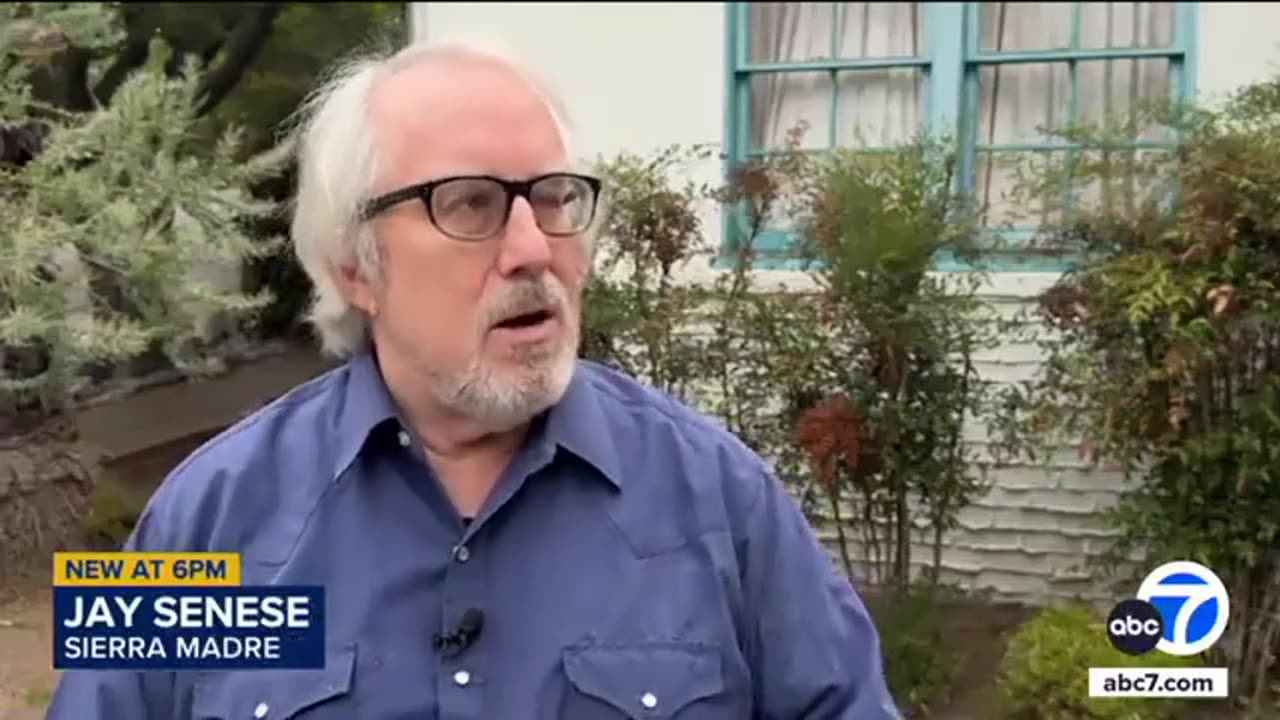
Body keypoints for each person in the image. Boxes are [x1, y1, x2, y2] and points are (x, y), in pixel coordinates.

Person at [48, 39, 901, 719]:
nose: (534, 248)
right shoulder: (206, 516)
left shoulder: (721, 500)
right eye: (469, 204)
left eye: (555, 198)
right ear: (356, 267)